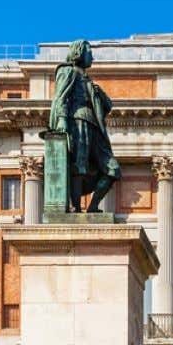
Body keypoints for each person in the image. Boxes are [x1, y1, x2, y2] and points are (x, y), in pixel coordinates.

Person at [48, 39, 121, 214]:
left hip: (94, 127)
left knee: (113, 169)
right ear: (79, 53)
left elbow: (108, 106)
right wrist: (62, 120)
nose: (92, 57)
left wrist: (96, 92)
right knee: (78, 166)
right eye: (89, 52)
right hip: (77, 122)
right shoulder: (68, 72)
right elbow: (60, 98)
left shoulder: (89, 81)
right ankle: (76, 208)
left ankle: (93, 205)